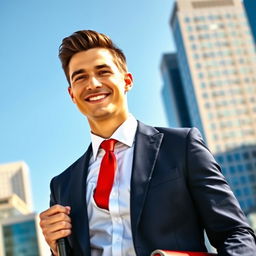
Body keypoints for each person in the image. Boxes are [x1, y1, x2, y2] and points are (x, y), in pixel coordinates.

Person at [39, 30, 256, 256]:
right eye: (80, 77)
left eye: (103, 72)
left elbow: (235, 233)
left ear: (127, 81)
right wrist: (57, 249)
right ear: (72, 94)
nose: (92, 83)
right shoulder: (61, 185)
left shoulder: (181, 146)